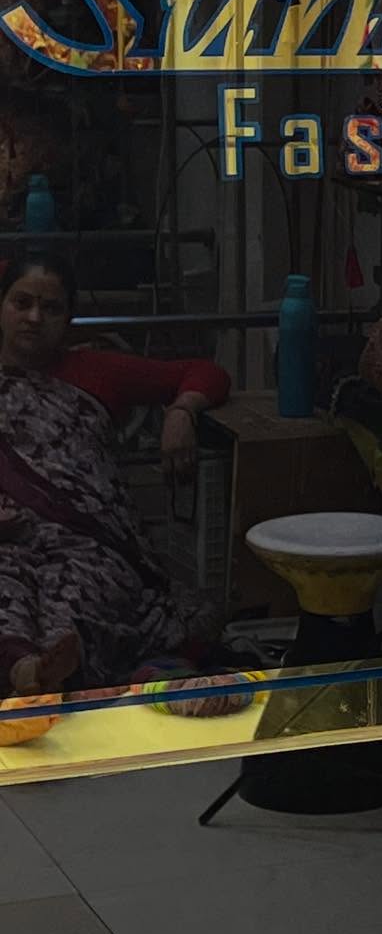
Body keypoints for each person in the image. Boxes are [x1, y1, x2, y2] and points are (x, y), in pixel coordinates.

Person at [0, 251, 233, 700]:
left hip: (90, 544)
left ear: (68, 320)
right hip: (9, 539)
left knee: (71, 604)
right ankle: (24, 671)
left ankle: (50, 674)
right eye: (21, 302)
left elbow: (206, 372)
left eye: (51, 308)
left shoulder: (94, 371)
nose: (33, 317)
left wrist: (182, 411)